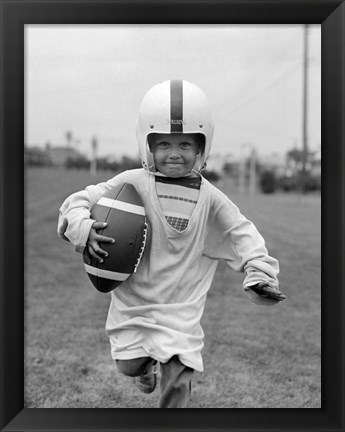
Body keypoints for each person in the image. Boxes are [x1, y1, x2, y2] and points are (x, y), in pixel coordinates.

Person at [57, 79, 286, 408]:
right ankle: (143, 368)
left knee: (179, 374)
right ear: (147, 143)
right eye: (163, 144)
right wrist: (84, 227)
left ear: (201, 147)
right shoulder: (130, 183)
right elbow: (80, 200)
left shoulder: (210, 198)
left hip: (181, 310)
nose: (174, 154)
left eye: (185, 145)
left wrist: (259, 272)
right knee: (128, 365)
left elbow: (241, 233)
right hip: (134, 306)